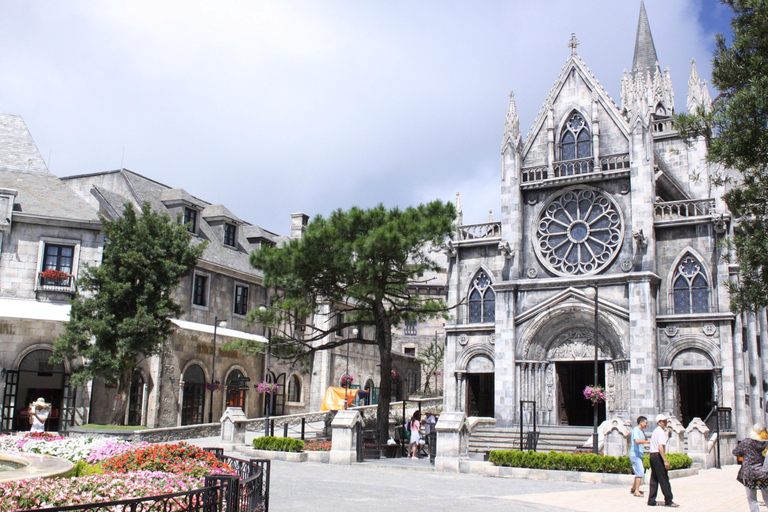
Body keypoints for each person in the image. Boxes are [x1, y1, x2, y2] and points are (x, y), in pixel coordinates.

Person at [733, 423, 768, 512]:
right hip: (763, 474)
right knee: (767, 497)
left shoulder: (747, 442)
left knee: (752, 499)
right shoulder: (766, 443)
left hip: (749, 474)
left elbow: (736, 452)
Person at [647, 413, 678, 507]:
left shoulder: (656, 431)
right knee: (663, 478)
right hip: (657, 455)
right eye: (664, 421)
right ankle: (669, 500)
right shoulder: (660, 431)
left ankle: (651, 500)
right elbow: (660, 447)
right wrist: (665, 460)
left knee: (654, 478)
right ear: (659, 422)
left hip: (652, 455)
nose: (665, 423)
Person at [630, 415, 650, 497]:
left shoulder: (642, 432)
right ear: (641, 422)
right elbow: (637, 441)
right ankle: (636, 491)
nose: (646, 424)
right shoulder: (636, 430)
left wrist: (647, 448)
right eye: (645, 423)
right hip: (635, 454)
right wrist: (648, 442)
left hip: (640, 454)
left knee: (638, 471)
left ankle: (633, 488)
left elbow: (643, 442)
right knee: (640, 472)